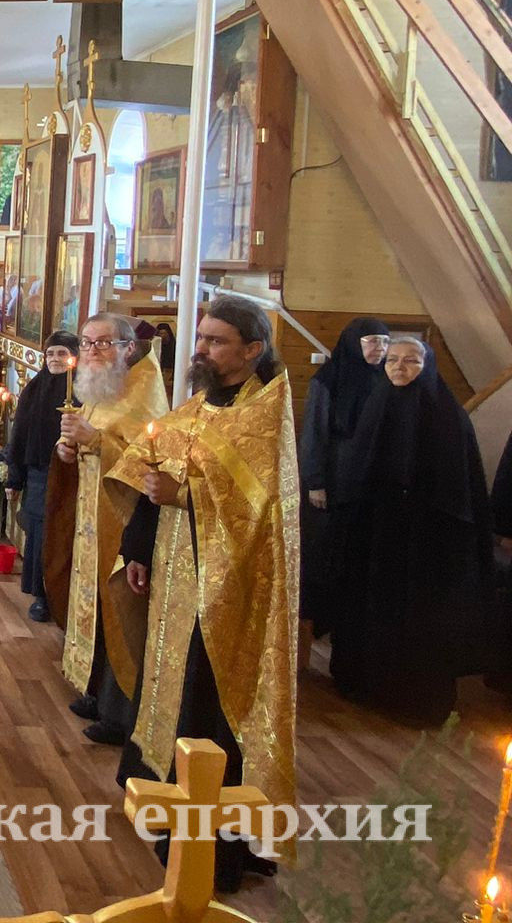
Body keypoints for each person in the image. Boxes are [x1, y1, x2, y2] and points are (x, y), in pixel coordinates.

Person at [108, 296, 299, 893]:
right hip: (174, 578)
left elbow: (258, 508)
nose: (201, 349)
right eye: (201, 338)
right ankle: (164, 810)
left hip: (228, 596)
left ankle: (210, 850)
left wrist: (186, 495)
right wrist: (139, 550)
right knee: (169, 686)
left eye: (216, 341)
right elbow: (152, 473)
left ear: (252, 350)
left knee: (209, 703)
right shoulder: (197, 406)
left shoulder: (265, 415)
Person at [327, 335, 492, 725]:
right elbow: (356, 471)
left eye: (411, 361)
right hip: (377, 535)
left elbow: (461, 488)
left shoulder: (449, 417)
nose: (399, 367)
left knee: (421, 620)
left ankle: (416, 698)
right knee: (372, 608)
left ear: (427, 365)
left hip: (427, 543)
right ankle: (366, 686)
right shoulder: (376, 404)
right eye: (392, 360)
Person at [56, 314, 169, 748]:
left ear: (128, 347)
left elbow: (149, 465)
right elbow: (86, 435)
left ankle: (122, 713)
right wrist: (68, 447)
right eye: (86, 342)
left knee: (121, 610)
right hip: (93, 517)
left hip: (125, 521)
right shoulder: (101, 386)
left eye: (103, 343)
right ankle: (96, 690)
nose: (92, 351)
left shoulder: (143, 392)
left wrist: (95, 440)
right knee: (95, 605)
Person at [298, 318, 388, 637]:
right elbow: (314, 432)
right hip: (334, 479)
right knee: (327, 551)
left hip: (369, 481)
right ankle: (321, 620)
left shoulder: (387, 379)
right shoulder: (327, 380)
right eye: (372, 341)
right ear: (354, 343)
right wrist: (315, 482)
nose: (379, 348)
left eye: (384, 342)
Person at [9, 332, 78, 622]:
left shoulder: (83, 392)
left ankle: (62, 596)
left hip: (71, 476)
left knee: (62, 535)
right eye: (50, 354)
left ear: (73, 358)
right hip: (38, 472)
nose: (55, 359)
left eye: (62, 354)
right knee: (39, 534)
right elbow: (19, 435)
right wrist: (14, 478)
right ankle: (41, 595)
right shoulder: (35, 388)